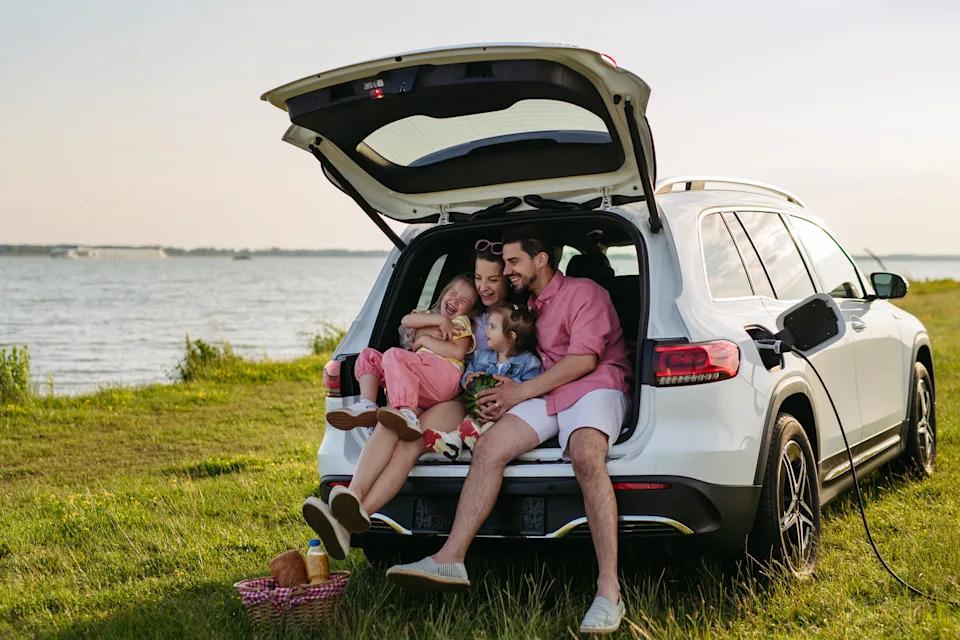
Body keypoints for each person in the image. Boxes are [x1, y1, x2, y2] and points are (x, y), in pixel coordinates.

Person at [386, 225, 633, 635]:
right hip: (548, 389)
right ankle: (451, 557)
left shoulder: (586, 293)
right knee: (489, 448)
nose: (508, 271)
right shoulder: (529, 306)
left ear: (542, 259)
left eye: (514, 262)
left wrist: (518, 394)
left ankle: (609, 591)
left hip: (595, 385)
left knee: (587, 455)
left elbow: (583, 362)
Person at [301, 248, 511, 561]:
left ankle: (354, 520)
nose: (484, 286)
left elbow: (454, 352)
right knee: (387, 428)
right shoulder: (440, 315)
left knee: (407, 447)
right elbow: (407, 324)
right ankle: (351, 499)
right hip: (417, 381)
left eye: (492, 280)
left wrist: (426, 340)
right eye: (479, 278)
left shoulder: (506, 316)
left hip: (454, 396)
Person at [423, 302, 541, 461]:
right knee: (468, 421)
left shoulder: (529, 362)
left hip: (506, 414)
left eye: (492, 327)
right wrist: (469, 379)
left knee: (490, 428)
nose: (486, 331)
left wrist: (513, 387)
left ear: (511, 337)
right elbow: (468, 373)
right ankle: (454, 442)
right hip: (478, 410)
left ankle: (474, 438)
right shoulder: (482, 357)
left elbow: (532, 389)